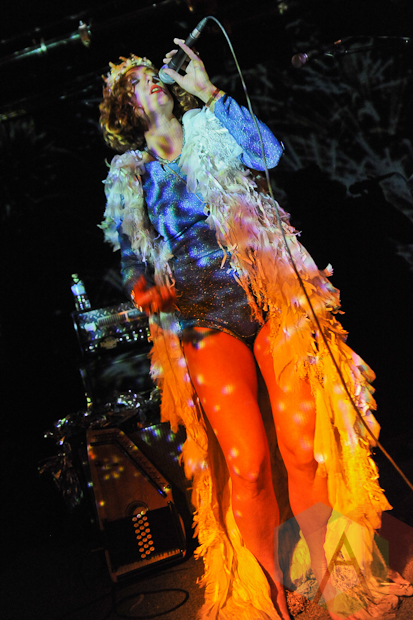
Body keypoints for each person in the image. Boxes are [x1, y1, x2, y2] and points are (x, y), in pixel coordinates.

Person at [99, 39, 412, 620]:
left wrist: (209, 91)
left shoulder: (209, 125)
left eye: (153, 73)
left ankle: (335, 571)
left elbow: (268, 153)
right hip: (204, 322)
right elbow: (132, 259)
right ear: (126, 108)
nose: (152, 80)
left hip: (271, 303)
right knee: (246, 465)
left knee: (303, 450)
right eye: (138, 81)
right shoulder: (131, 176)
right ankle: (276, 584)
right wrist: (146, 291)